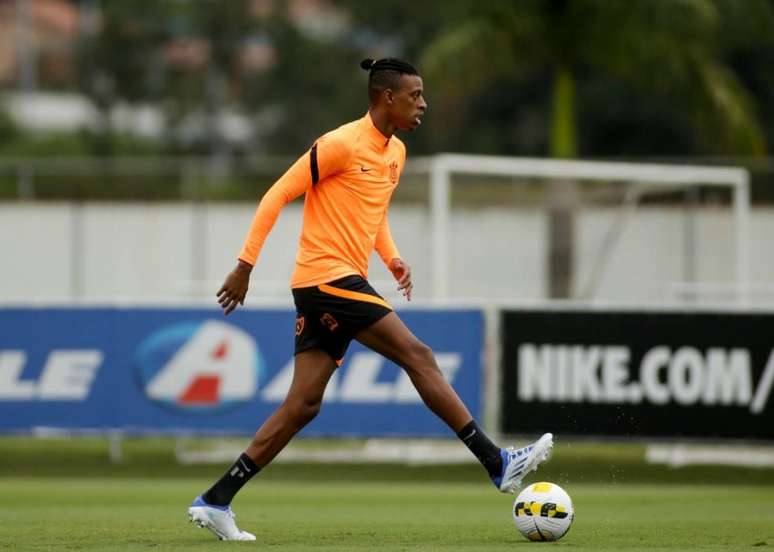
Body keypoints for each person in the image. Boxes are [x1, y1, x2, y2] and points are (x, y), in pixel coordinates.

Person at [187, 57, 553, 541]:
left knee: (302, 405)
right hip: (327, 280)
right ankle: (497, 461)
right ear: (387, 98)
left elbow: (372, 212)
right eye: (415, 95)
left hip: (338, 284)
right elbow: (276, 194)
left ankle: (216, 499)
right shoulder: (339, 144)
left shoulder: (395, 153)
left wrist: (393, 258)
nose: (423, 104)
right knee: (418, 355)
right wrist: (244, 265)